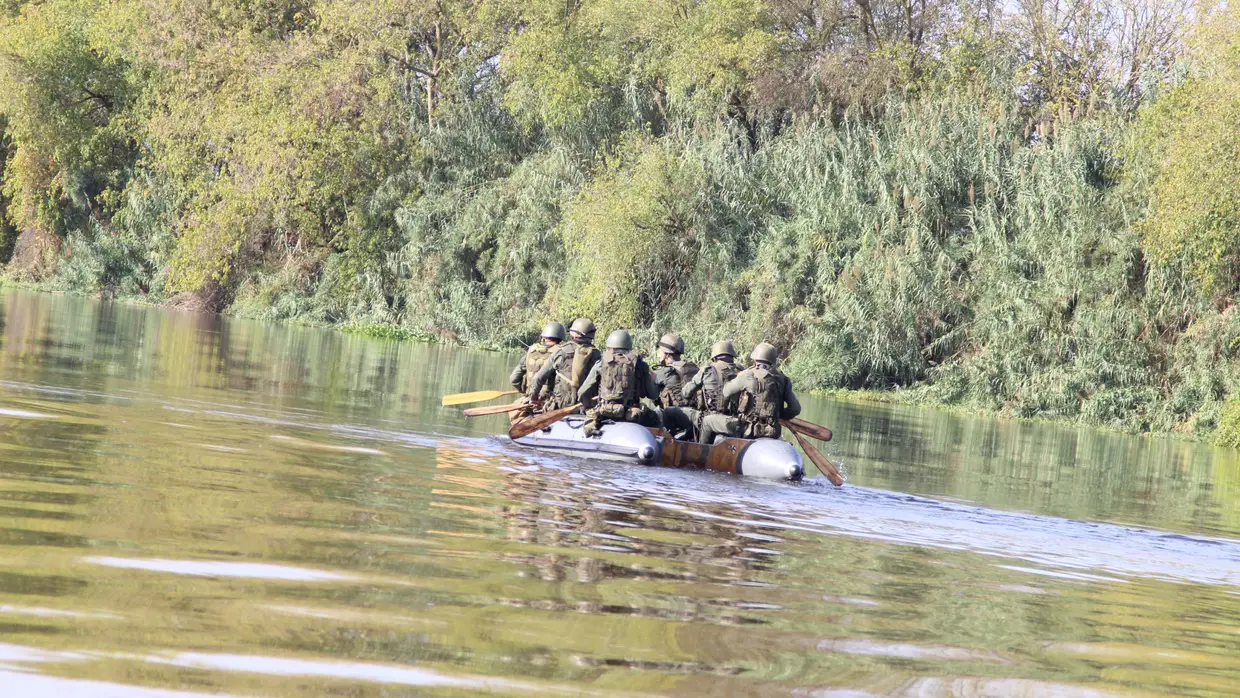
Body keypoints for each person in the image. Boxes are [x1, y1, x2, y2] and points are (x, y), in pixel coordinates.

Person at [698, 342, 801, 444]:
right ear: (773, 361)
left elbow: (726, 391)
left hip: (748, 430)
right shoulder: (783, 379)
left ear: (755, 360)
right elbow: (795, 409)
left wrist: (739, 377)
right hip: (773, 432)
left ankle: (702, 455)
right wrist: (778, 415)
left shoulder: (747, 375)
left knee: (707, 421)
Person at [578, 329, 662, 435]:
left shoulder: (600, 363)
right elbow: (653, 395)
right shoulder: (640, 364)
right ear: (628, 347)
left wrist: (588, 406)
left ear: (611, 348)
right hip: (630, 414)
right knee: (656, 418)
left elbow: (582, 392)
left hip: (604, 412)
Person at [527, 317, 601, 410]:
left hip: (561, 404)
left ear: (573, 333)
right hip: (587, 406)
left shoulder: (561, 352)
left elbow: (539, 378)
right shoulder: (598, 355)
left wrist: (533, 398)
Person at [508, 321, 566, 423]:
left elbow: (513, 379)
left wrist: (527, 391)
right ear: (560, 337)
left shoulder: (531, 350)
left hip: (530, 399)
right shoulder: (560, 353)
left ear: (544, 336)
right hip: (547, 401)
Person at [682, 340, 742, 416]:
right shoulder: (740, 370)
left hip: (710, 420)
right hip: (735, 419)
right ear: (732, 356)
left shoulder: (707, 370)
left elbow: (686, 393)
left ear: (715, 357)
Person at [652, 333, 699, 408]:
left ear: (667, 354)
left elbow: (650, 393)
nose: (658, 355)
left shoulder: (664, 372)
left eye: (660, 351)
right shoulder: (693, 367)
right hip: (695, 413)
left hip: (673, 415)